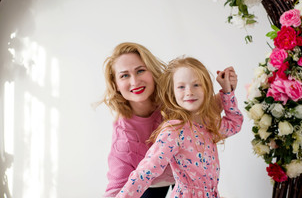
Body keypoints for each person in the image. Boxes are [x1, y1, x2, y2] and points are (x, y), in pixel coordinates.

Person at [115, 56, 243, 198]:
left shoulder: (209, 124)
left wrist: (227, 91)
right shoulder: (174, 131)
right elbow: (147, 170)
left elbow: (235, 124)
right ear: (173, 93)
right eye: (181, 87)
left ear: (206, 87)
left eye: (196, 85)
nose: (189, 91)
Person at [102, 42, 175, 198]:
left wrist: (226, 92)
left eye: (140, 71)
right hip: (150, 182)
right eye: (124, 75)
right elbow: (116, 188)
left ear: (152, 71)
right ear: (116, 85)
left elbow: (206, 111)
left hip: (185, 173)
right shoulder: (124, 139)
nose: (135, 82)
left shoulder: (175, 101)